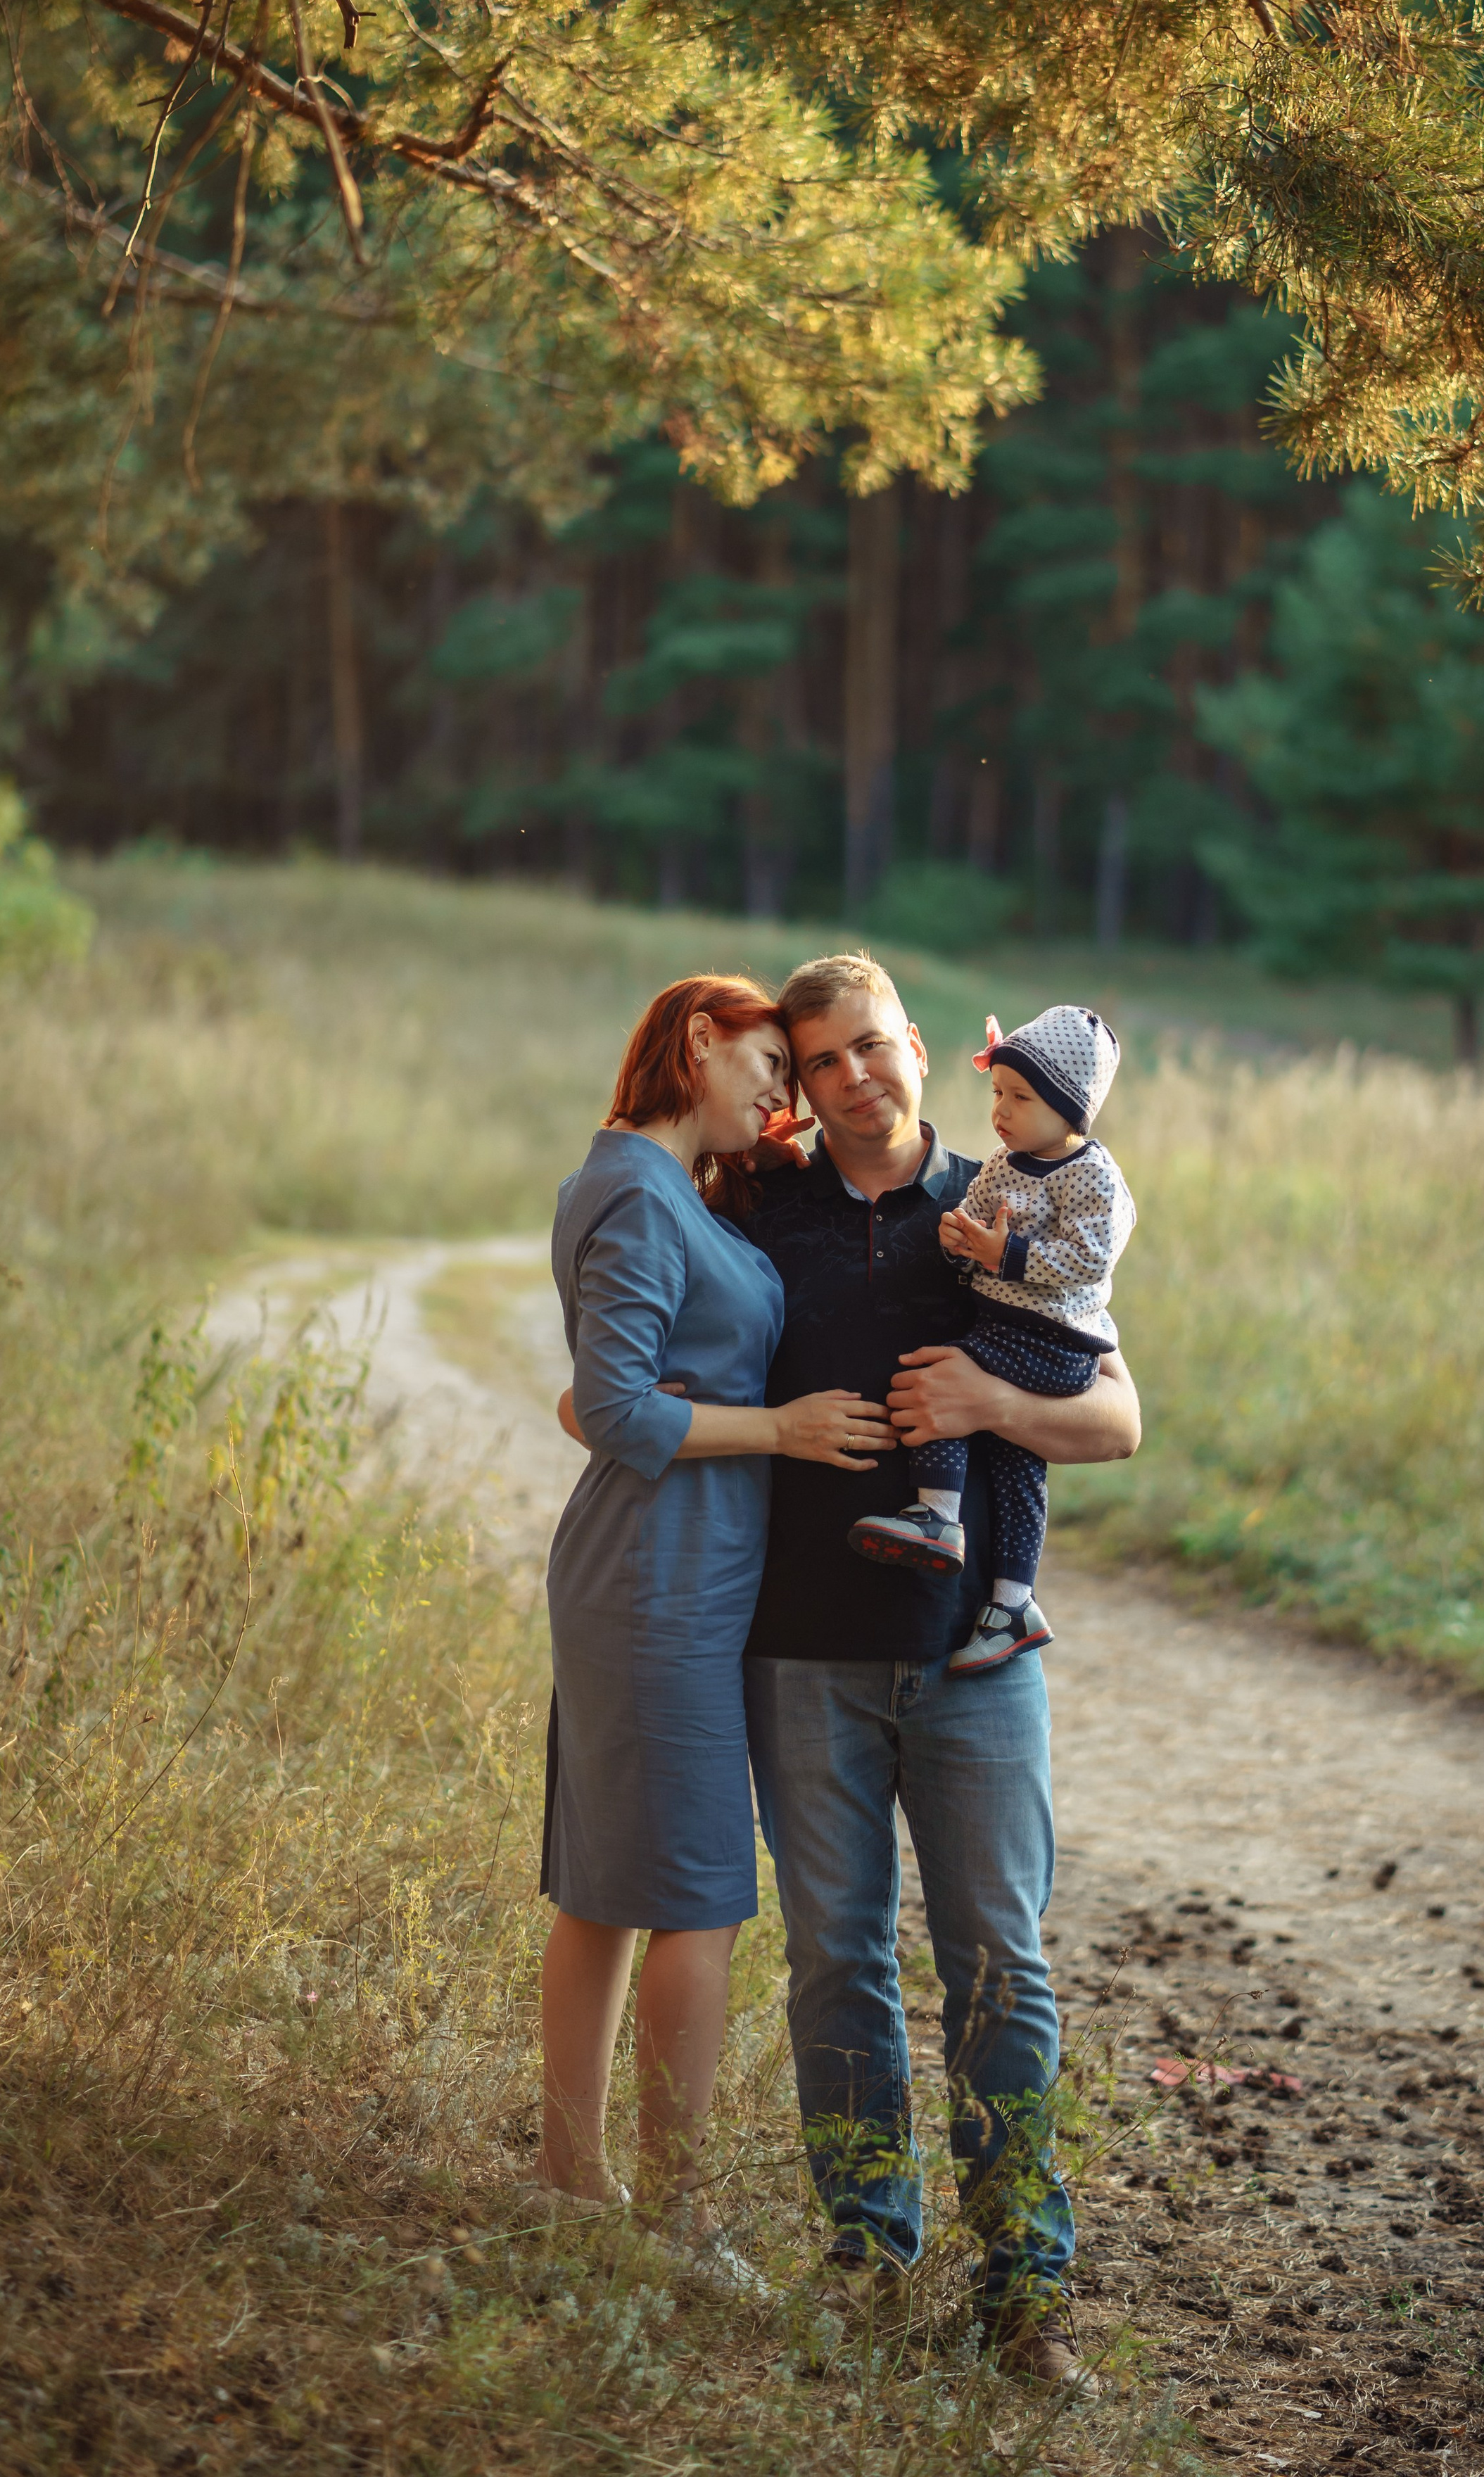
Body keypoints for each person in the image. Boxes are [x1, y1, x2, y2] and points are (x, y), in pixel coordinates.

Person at [740, 951, 1141, 2381]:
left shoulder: (1005, 1192)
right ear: (797, 1076)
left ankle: (1024, 2290)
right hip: (796, 1648)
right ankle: (865, 2261)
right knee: (834, 1967)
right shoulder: (757, 1206)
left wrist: (982, 1401)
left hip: (975, 1655)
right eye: (821, 1059)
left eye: (872, 1047)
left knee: (998, 1970)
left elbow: (1116, 1419)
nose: (854, 1078)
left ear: (920, 1047)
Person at [536, 974, 896, 2276]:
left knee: (609, 1886)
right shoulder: (637, 1188)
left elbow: (603, 1394)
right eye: (768, 1068)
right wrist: (786, 1430)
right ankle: (676, 2223)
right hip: (655, 1580)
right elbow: (620, 1409)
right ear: (700, 1039)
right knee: (694, 1894)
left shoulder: (655, 1183)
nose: (782, 1097)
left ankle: (571, 2189)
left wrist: (757, 1159)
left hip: (665, 1569)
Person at [847, 1004, 1136, 1675]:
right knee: (1016, 1468)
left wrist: (1005, 1254)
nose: (1001, 1111)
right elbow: (972, 1222)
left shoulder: (1094, 1175)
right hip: (1012, 1322)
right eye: (997, 1094)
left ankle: (936, 1516)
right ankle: (1013, 1603)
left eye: (1021, 1098)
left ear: (1070, 1109)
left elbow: (1091, 1258)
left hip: (1055, 1341)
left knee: (954, 1374)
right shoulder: (1004, 1165)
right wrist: (958, 1242)